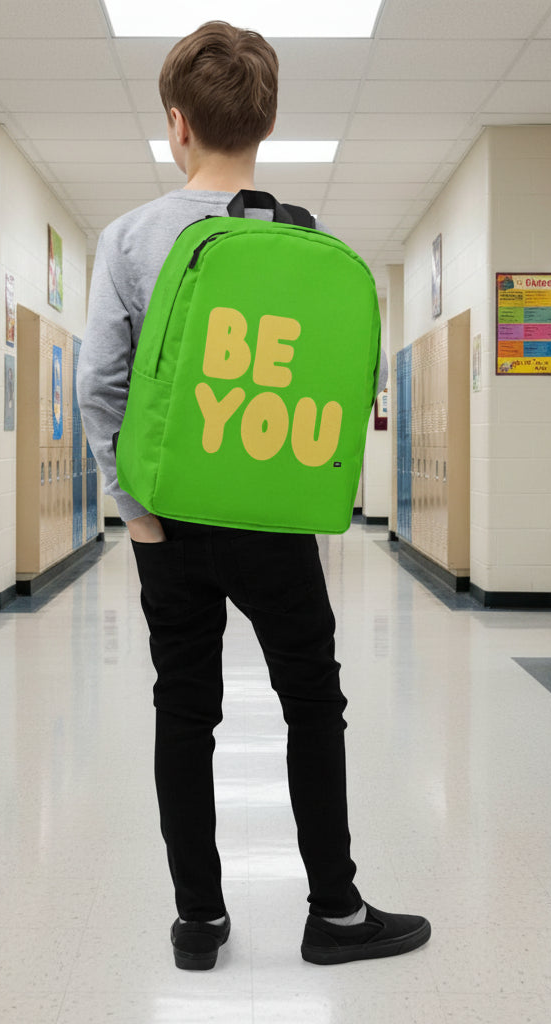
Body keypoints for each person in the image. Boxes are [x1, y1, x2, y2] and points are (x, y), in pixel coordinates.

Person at [78, 20, 430, 971]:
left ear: (176, 125)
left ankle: (200, 920)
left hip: (172, 523)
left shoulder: (130, 239)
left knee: (183, 713)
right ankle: (337, 914)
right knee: (313, 706)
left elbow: (98, 388)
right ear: (264, 128)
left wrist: (134, 509)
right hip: (276, 527)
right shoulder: (302, 244)